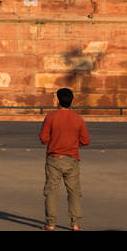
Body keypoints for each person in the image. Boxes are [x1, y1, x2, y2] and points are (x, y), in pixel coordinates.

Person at [40, 87, 90, 231]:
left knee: (51, 192)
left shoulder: (51, 117)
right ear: (72, 101)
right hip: (72, 159)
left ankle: (50, 224)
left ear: (58, 100)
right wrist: (74, 143)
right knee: (74, 192)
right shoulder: (78, 119)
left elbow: (43, 139)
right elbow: (85, 140)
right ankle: (75, 224)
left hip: (54, 159)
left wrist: (54, 139)